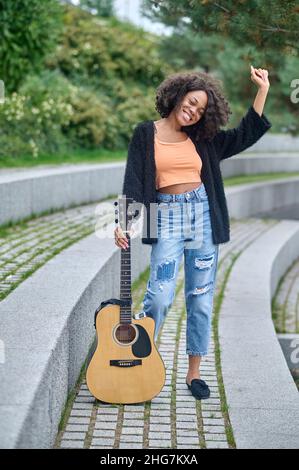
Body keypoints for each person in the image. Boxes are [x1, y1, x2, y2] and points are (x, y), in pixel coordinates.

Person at [114, 66, 271, 400]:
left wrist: (262, 91)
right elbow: (134, 180)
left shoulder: (204, 138)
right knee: (159, 295)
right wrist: (123, 222)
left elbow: (245, 134)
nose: (193, 111)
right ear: (178, 95)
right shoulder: (146, 133)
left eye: (201, 109)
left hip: (202, 215)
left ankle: (194, 373)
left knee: (199, 299)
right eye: (191, 102)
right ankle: (143, 362)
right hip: (166, 215)